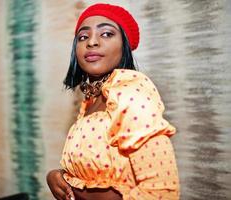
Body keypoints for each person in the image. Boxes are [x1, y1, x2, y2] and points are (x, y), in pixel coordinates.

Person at [46, 3, 180, 200]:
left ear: (124, 44)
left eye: (107, 34)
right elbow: (99, 172)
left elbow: (161, 192)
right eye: (83, 37)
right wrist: (57, 176)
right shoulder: (92, 101)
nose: (91, 42)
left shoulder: (131, 91)